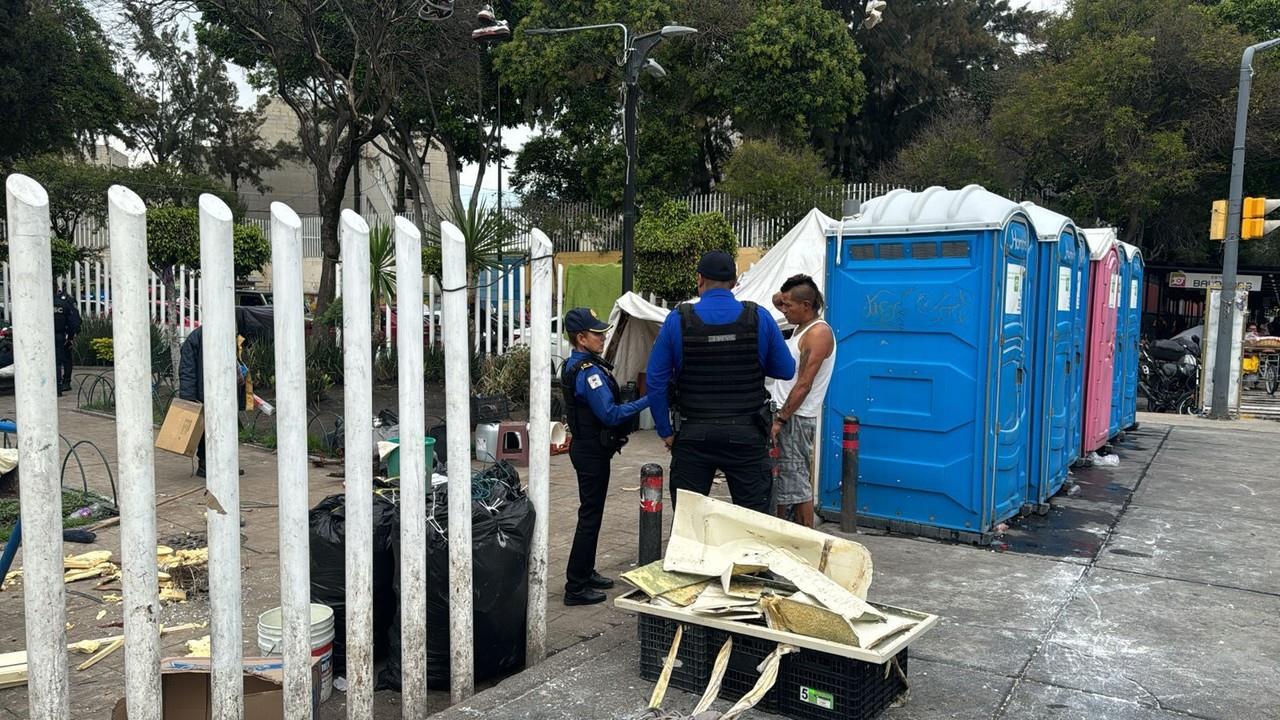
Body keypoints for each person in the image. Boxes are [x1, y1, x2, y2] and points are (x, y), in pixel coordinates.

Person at [646, 251, 795, 513]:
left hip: (693, 435)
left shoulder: (678, 320)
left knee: (689, 526)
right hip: (747, 435)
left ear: (699, 279)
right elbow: (785, 369)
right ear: (735, 282)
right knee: (753, 523)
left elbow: (656, 381)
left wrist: (665, 431)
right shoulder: (759, 317)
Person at [560, 307, 650, 606]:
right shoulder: (588, 373)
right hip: (590, 452)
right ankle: (575, 586)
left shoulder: (583, 365)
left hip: (590, 449)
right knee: (589, 517)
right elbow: (610, 414)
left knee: (592, 515)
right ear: (581, 338)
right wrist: (648, 399)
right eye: (597, 333)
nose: (603, 337)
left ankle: (585, 572)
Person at [768, 274, 835, 527]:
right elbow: (778, 299)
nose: (783, 310)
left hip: (795, 417)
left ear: (806, 306)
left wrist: (781, 419)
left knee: (797, 484)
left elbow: (804, 384)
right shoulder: (800, 326)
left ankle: (808, 539)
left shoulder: (818, 334)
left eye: (789, 306)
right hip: (785, 414)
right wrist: (788, 295)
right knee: (784, 481)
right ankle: (783, 532)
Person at [178, 323, 252, 478]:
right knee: (206, 432)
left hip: (225, 393)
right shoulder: (196, 338)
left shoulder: (226, 335)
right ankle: (205, 465)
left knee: (226, 429)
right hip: (204, 394)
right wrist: (189, 398)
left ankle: (226, 463)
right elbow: (187, 370)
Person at [53, 285, 81, 395]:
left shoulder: (65, 300)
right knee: (59, 361)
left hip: (59, 335)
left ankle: (64, 382)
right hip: (61, 335)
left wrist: (71, 336)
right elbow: (74, 321)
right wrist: (71, 336)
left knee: (62, 360)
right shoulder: (64, 302)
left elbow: (74, 319)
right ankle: (61, 385)